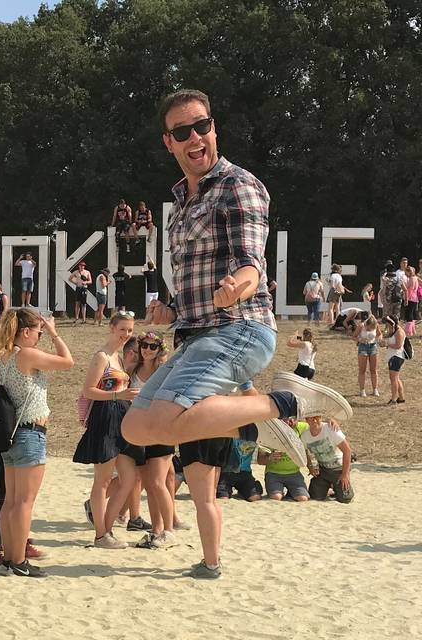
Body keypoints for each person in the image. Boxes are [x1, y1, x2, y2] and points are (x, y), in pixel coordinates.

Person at [121, 89, 351, 579]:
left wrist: (238, 287)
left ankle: (286, 403)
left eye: (201, 125)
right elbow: (196, 280)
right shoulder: (181, 201)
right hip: (196, 334)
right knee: (135, 427)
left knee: (163, 419)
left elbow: (250, 260)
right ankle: (251, 422)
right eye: (182, 131)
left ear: (213, 127)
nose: (194, 137)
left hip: (239, 328)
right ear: (169, 142)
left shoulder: (238, 185)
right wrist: (170, 309)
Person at [0, 308, 73, 577]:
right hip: (30, 431)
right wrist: (54, 332)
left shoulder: (4, 358)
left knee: (11, 501)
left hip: (11, 434)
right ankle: (19, 560)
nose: (40, 337)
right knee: (24, 503)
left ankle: (9, 558)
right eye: (38, 333)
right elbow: (68, 361)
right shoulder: (26, 355)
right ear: (25, 332)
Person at [0, 320, 48, 567]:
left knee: (7, 497)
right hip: (7, 434)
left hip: (1, 434)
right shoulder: (0, 365)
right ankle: (4, 547)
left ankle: (11, 546)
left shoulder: (1, 363)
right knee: (5, 497)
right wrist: (7, 417)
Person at [73, 312, 140, 549]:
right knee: (102, 480)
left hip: (121, 417)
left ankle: (106, 529)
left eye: (129, 330)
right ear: (112, 328)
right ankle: (101, 534)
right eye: (122, 329)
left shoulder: (119, 357)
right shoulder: (101, 356)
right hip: (105, 418)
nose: (126, 334)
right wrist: (118, 395)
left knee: (129, 478)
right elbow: (89, 390)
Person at [129, 331, 177, 550]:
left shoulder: (164, 371)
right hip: (140, 431)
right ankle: (157, 530)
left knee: (158, 482)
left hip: (161, 430)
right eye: (144, 345)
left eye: (152, 346)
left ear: (160, 350)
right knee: (149, 485)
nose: (147, 350)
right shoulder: (132, 370)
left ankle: (169, 530)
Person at [302, 416, 354, 503]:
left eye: (317, 417)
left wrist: (345, 475)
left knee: (345, 498)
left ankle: (336, 487)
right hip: (323, 470)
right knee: (315, 496)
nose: (314, 420)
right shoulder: (305, 436)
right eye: (311, 418)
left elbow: (347, 451)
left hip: (339, 469)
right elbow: (304, 451)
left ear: (320, 417)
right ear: (306, 420)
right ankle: (330, 488)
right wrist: (310, 466)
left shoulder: (331, 429)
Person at [258, 418, 310, 501]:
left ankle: (291, 492)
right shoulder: (269, 431)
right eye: (285, 418)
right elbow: (260, 460)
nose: (290, 421)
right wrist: (269, 457)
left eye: (293, 417)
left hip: (294, 473)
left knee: (303, 498)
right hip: (273, 473)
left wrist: (331, 423)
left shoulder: (302, 427)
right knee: (276, 497)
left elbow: (318, 425)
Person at [353, 311, 381, 397]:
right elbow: (354, 336)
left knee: (374, 370)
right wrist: (360, 340)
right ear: (366, 324)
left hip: (373, 347)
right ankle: (362, 390)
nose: (370, 330)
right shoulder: (361, 326)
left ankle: (375, 389)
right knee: (362, 370)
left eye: (372, 329)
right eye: (368, 329)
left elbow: (379, 334)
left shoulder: (376, 325)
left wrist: (379, 339)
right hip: (363, 347)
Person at [380, 314, 406, 405]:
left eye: (387, 323)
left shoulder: (399, 332)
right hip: (393, 356)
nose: (386, 324)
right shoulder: (393, 330)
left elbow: (398, 346)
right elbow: (387, 336)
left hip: (397, 357)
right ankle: (401, 398)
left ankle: (394, 399)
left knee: (393, 379)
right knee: (396, 378)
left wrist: (387, 344)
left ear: (391, 323)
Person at [404, 266, 418, 336]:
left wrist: (406, 299)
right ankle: (413, 330)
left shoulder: (411, 279)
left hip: (410, 298)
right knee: (412, 314)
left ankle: (408, 331)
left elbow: (408, 289)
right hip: (415, 298)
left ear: (409, 272)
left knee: (409, 314)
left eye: (406, 272)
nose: (405, 274)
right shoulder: (415, 278)